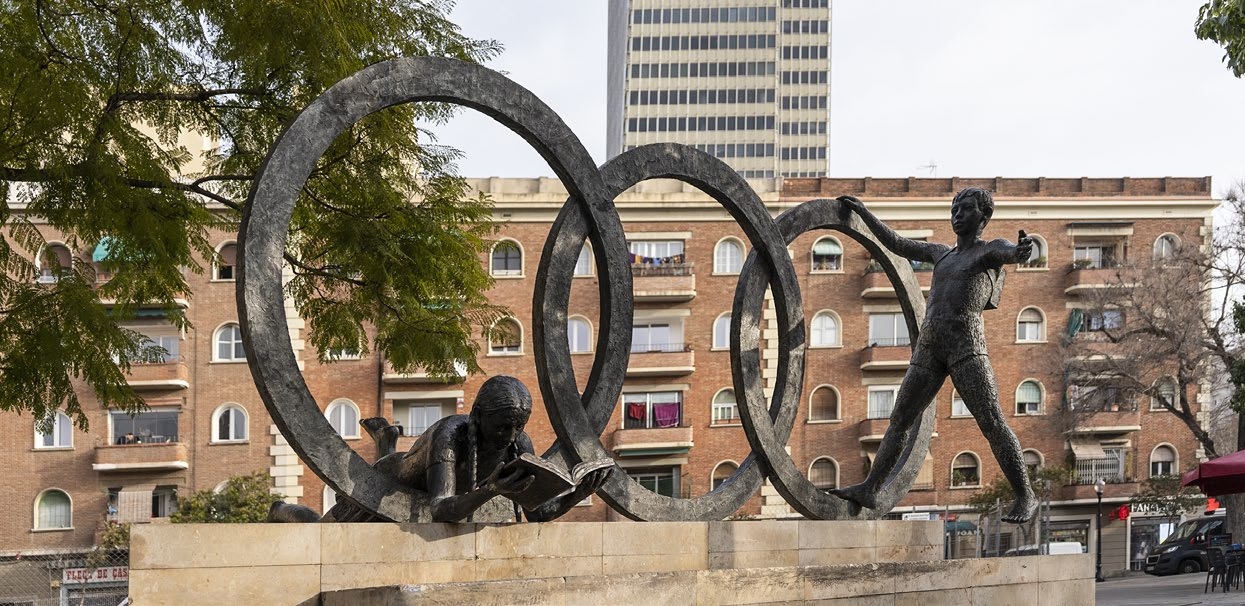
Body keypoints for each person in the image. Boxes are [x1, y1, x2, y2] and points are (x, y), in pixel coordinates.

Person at [831, 188, 1037, 524]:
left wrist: (1021, 251)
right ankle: (871, 487)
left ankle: (1026, 495)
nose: (957, 214)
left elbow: (1012, 253)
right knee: (900, 420)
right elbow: (897, 244)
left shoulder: (989, 250)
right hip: (930, 346)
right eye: (954, 209)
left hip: (966, 346)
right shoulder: (941, 254)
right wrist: (865, 215)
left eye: (966, 209)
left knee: (992, 423)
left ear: (983, 217)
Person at [319, 375, 610, 523]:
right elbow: (441, 509)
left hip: (415, 498)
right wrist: (491, 490)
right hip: (388, 485)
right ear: (478, 415)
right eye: (502, 427)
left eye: (518, 426)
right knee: (322, 528)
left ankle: (387, 438)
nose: (509, 436)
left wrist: (577, 495)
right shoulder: (450, 434)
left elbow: (536, 514)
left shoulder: (519, 443)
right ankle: (284, 511)